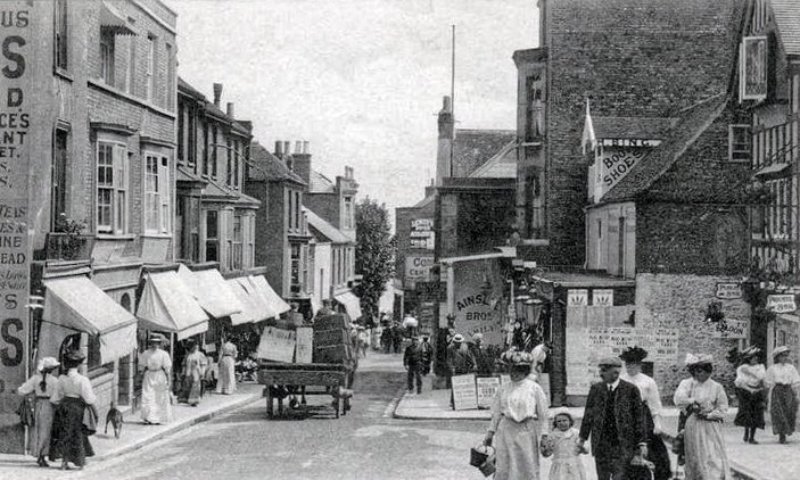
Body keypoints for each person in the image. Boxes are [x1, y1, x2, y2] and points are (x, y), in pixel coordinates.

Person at [483, 349, 549, 480]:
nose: (514, 373)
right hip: (506, 430)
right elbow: (496, 413)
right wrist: (490, 433)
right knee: (505, 465)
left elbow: (543, 415)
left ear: (525, 370)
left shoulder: (534, 388)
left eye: (518, 370)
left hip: (526, 430)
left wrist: (544, 436)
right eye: (511, 370)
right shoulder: (503, 388)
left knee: (527, 465)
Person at [578, 356, 647, 480]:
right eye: (601, 370)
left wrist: (641, 442)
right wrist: (582, 438)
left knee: (619, 476)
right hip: (601, 444)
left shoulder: (631, 390)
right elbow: (588, 415)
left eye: (604, 370)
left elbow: (639, 418)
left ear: (616, 373)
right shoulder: (596, 389)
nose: (601, 374)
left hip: (622, 443)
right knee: (602, 476)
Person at [673, 353, 730, 479]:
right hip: (693, 425)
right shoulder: (689, 384)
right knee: (695, 455)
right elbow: (679, 399)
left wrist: (709, 415)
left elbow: (723, 408)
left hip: (711, 426)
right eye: (697, 371)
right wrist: (691, 402)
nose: (700, 375)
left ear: (709, 371)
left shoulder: (716, 387)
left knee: (712, 453)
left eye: (703, 371)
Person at [619, 346, 671, 480]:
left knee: (652, 448)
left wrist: (657, 424)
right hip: (624, 416)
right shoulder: (620, 379)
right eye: (627, 364)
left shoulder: (648, 381)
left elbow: (655, 404)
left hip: (643, 416)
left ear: (639, 364)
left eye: (633, 364)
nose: (630, 367)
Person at [49, 350, 97, 470]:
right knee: (78, 433)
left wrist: (59, 404)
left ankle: (64, 462)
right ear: (79, 365)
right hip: (77, 408)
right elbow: (89, 399)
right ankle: (80, 461)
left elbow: (55, 398)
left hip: (64, 407)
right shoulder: (82, 380)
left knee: (65, 433)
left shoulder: (61, 378)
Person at [17, 357, 60, 467]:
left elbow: (22, 390)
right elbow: (59, 395)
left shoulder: (35, 379)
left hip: (38, 404)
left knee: (37, 429)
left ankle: (38, 453)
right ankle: (43, 455)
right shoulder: (55, 381)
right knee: (47, 431)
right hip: (50, 405)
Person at [765, 345, 800, 444]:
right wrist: (768, 393)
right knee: (778, 412)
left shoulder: (791, 368)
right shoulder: (772, 368)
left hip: (788, 390)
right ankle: (781, 434)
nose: (784, 358)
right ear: (777, 357)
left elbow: (795, 380)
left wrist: (796, 393)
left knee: (789, 411)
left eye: (786, 356)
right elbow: (768, 381)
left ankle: (787, 430)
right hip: (778, 390)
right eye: (782, 356)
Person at [540, 407, 587, 480]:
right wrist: (546, 449)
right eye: (559, 421)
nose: (562, 423)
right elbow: (547, 453)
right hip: (559, 465)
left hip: (574, 464)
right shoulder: (553, 436)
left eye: (564, 420)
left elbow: (586, 449)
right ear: (555, 423)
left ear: (570, 421)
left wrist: (582, 449)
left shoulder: (576, 433)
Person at [734, 346, 766, 444]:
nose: (755, 359)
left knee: (756, 414)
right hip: (745, 392)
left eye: (756, 357)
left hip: (757, 392)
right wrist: (749, 389)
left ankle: (752, 437)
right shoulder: (742, 368)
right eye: (753, 357)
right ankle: (746, 432)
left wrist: (751, 373)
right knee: (747, 413)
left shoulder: (760, 367)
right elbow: (739, 381)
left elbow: (761, 377)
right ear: (748, 359)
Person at [139, 335, 173, 424]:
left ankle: (158, 418)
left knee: (160, 396)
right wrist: (140, 374)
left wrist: (169, 380)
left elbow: (167, 368)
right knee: (148, 396)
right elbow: (141, 366)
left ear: (159, 343)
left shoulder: (163, 354)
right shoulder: (146, 353)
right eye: (153, 342)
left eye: (157, 343)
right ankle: (149, 417)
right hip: (149, 376)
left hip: (160, 375)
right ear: (150, 343)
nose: (155, 345)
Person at [179, 339, 205, 407]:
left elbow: (203, 364)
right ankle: (188, 399)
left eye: (196, 346)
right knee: (188, 385)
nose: (195, 347)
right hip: (188, 371)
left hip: (196, 371)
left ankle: (194, 401)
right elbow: (184, 364)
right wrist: (183, 372)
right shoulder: (187, 355)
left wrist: (202, 372)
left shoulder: (200, 355)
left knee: (195, 385)